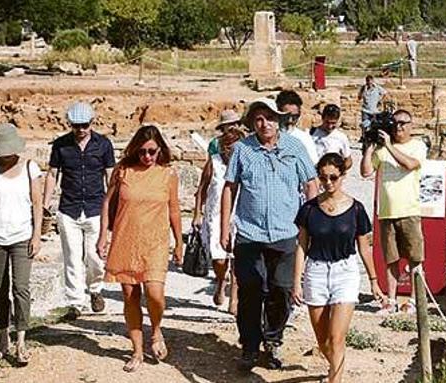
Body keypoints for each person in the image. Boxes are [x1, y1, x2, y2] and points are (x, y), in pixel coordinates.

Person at [220, 98, 318, 372]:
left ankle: (273, 340)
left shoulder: (294, 147)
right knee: (251, 290)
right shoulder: (242, 149)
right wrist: (225, 225)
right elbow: (230, 187)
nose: (265, 124)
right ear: (252, 123)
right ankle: (250, 347)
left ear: (279, 120)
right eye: (259, 119)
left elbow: (311, 183)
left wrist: (310, 222)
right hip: (250, 233)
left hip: (286, 232)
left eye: (270, 118)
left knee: (281, 289)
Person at [96, 125, 183, 373]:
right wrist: (103, 235)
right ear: (135, 150)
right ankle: (136, 351)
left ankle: (155, 331)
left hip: (155, 241)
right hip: (125, 238)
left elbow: (174, 210)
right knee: (129, 296)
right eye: (142, 151)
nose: (147, 157)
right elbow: (106, 203)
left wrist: (179, 242)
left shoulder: (168, 175)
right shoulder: (123, 171)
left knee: (155, 294)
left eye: (152, 152)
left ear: (160, 150)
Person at [292, 153, 385, 383]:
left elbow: (364, 248)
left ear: (343, 175)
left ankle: (336, 379)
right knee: (323, 341)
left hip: (345, 272)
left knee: (336, 338)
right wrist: (296, 282)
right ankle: (333, 369)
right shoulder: (309, 209)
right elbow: (302, 246)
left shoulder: (356, 210)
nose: (328, 183)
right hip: (316, 271)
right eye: (323, 178)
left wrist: (374, 280)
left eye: (333, 177)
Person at [0, 123, 43, 365]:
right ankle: (4, 334)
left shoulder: (30, 168)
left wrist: (37, 236)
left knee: (21, 288)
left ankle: (21, 339)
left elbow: (37, 203)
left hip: (22, 236)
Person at [43, 102, 115, 320]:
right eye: (76, 126)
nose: (80, 130)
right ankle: (75, 302)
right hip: (69, 207)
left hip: (95, 207)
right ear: (70, 124)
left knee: (95, 257)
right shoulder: (60, 145)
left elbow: (110, 175)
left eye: (84, 125)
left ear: (92, 123)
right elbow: (52, 175)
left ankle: (95, 290)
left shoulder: (103, 144)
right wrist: (45, 204)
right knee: (72, 257)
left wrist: (113, 206)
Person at [360, 109, 427, 314]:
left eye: (404, 123)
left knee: (415, 258)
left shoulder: (417, 146)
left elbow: (410, 164)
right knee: (391, 259)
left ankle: (414, 300)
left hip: (408, 210)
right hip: (387, 211)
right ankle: (391, 299)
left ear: (411, 125)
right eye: (396, 123)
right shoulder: (383, 149)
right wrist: (369, 149)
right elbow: (366, 172)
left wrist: (389, 146)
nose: (399, 127)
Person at [192, 125, 244, 314]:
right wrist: (197, 213)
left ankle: (235, 298)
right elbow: (202, 189)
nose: (232, 151)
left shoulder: (244, 163)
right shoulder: (214, 163)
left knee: (238, 258)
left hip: (238, 216)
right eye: (229, 147)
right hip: (215, 217)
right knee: (219, 259)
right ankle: (221, 280)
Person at [276, 90, 319, 165]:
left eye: (294, 116)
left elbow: (313, 163)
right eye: (286, 116)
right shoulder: (267, 135)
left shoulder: (303, 138)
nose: (290, 120)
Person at [310, 104, 353, 170]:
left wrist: (339, 172)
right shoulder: (311, 134)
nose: (330, 126)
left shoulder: (341, 137)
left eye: (333, 123)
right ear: (322, 118)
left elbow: (348, 159)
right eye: (327, 122)